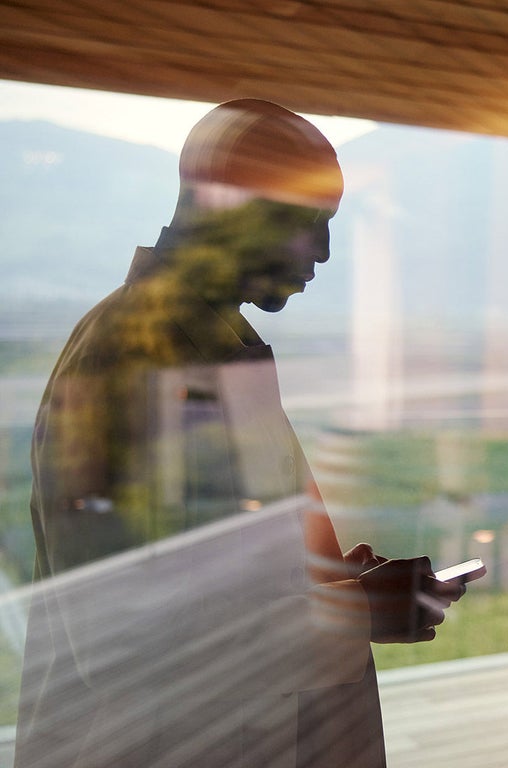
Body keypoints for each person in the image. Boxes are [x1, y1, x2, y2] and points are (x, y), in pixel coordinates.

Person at [15, 99, 464, 768]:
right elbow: (117, 639)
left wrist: (321, 578)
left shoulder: (210, 346)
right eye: (309, 221)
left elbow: (200, 576)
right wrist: (357, 614)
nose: (324, 251)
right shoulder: (130, 356)